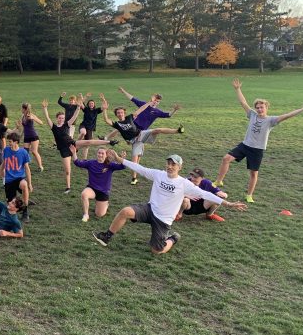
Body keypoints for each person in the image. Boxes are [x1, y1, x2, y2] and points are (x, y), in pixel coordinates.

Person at [93, 153, 248, 254]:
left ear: (179, 167)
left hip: (163, 219)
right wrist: (120, 160)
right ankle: (107, 236)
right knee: (126, 211)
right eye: (168, 163)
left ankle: (173, 238)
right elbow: (140, 168)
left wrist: (227, 204)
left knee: (156, 250)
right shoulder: (158, 175)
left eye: (173, 164)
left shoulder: (183, 183)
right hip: (150, 209)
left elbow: (205, 194)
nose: (170, 166)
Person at [214, 78, 303, 202]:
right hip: (245, 145)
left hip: (257, 150)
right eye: (257, 108)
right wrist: (238, 89)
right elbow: (243, 103)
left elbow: (288, 115)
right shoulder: (252, 115)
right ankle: (219, 181)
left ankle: (249, 195)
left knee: (253, 173)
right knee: (226, 159)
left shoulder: (271, 120)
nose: (259, 109)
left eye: (262, 107)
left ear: (266, 107)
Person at [100, 94, 184, 185]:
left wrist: (150, 102)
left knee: (157, 130)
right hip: (134, 141)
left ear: (124, 113)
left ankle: (178, 130)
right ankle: (134, 178)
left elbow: (142, 109)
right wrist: (104, 109)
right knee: (134, 161)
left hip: (141, 134)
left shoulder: (130, 117)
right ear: (116, 115)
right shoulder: (117, 124)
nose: (120, 114)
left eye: (121, 112)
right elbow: (106, 120)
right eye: (118, 113)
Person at [42, 99, 116, 194]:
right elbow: (47, 118)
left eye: (62, 118)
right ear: (57, 118)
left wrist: (78, 107)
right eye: (59, 118)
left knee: (88, 142)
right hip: (64, 150)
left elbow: (74, 116)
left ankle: (109, 142)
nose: (61, 119)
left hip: (72, 144)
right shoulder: (54, 127)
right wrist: (45, 108)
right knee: (68, 171)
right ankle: (68, 187)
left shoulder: (67, 124)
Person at [71, 145, 125, 222]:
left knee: (99, 214)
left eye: (102, 153)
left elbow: (122, 167)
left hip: (103, 192)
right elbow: (78, 163)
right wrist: (74, 153)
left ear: (106, 155)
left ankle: (105, 205)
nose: (100, 155)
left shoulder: (110, 165)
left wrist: (121, 158)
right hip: (92, 188)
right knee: (84, 194)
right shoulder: (91, 163)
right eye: (99, 153)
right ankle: (86, 214)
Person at [0, 132, 32, 222]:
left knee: (24, 185)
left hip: (19, 177)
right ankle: (25, 200)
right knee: (10, 204)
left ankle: (25, 211)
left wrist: (30, 183)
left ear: (16, 142)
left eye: (10, 141)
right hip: (9, 180)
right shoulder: (6, 150)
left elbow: (27, 168)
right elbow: (4, 163)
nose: (9, 143)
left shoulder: (23, 152)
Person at [18, 102, 44, 171]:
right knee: (25, 152)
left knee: (34, 151)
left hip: (33, 136)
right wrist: (21, 135)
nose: (21, 110)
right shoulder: (22, 116)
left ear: (24, 109)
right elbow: (24, 127)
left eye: (22, 108)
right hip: (26, 136)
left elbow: (41, 122)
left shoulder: (31, 115)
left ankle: (40, 166)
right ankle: (25, 165)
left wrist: (33, 118)